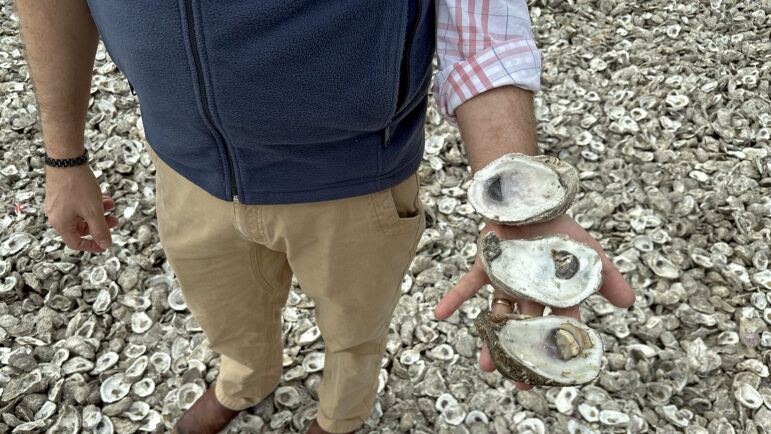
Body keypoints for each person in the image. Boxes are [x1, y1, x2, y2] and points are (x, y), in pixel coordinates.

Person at [17, 0, 635, 433]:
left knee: (355, 329)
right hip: (187, 170)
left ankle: (340, 419)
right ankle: (243, 382)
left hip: (355, 179)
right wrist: (63, 156)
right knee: (225, 313)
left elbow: (482, 24)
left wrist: (523, 215)